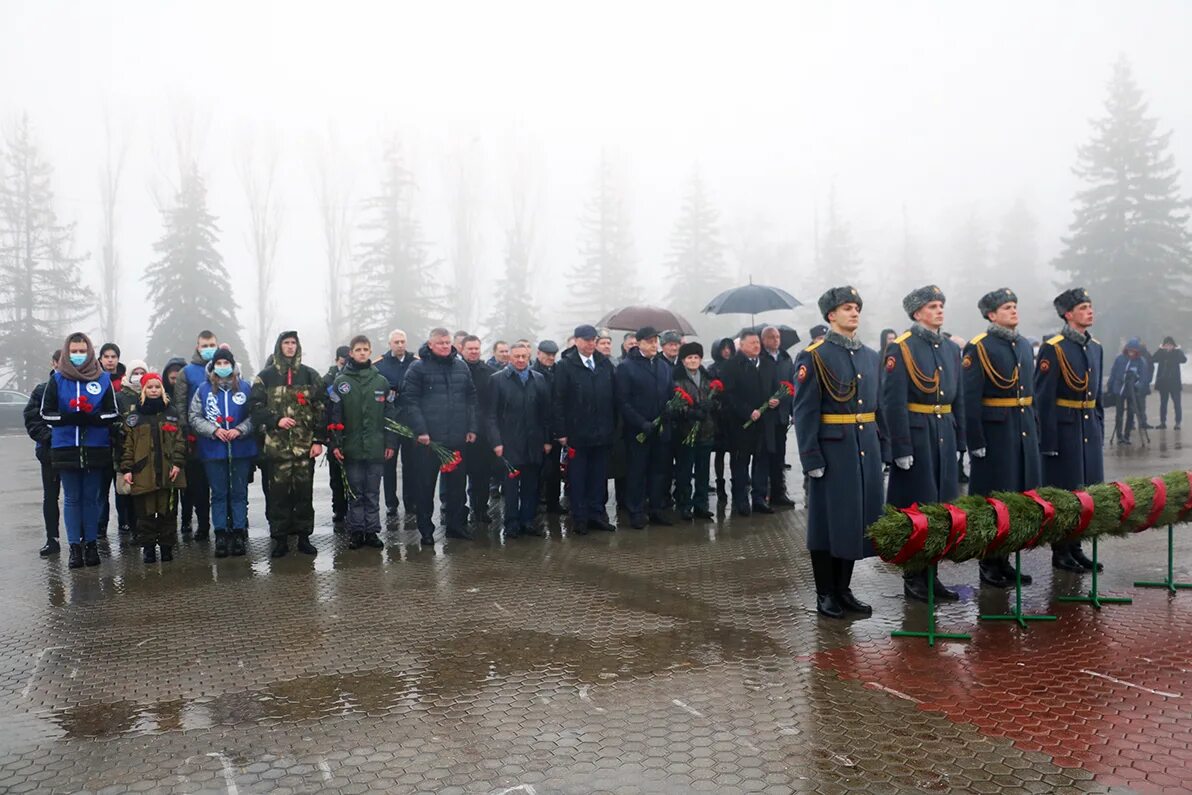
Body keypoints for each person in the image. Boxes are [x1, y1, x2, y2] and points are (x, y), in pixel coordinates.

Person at [792, 287, 882, 619]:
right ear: (831, 315)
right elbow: (803, 412)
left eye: (857, 307)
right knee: (827, 525)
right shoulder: (814, 355)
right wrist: (811, 458)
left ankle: (844, 590)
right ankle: (825, 593)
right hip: (833, 452)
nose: (854, 313)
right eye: (847, 308)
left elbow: (878, 407)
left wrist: (881, 449)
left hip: (865, 450)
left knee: (855, 523)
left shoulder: (871, 356)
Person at [884, 286, 967, 602]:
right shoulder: (901, 348)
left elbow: (955, 398)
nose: (939, 310)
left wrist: (959, 439)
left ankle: (933, 575)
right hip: (917, 436)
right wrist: (901, 447)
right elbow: (893, 402)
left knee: (942, 508)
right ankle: (914, 578)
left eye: (941, 305)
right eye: (933, 306)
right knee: (917, 511)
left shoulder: (949, 348)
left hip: (943, 431)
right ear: (917, 313)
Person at [962, 288, 1041, 588]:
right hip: (995, 435)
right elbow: (971, 398)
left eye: (1015, 306)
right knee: (993, 500)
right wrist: (976, 440)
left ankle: (1005, 560)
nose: (1013, 311)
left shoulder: (1022, 344)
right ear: (992, 315)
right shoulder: (979, 347)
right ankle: (988, 563)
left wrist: (1034, 433)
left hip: (1021, 431)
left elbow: (1029, 394)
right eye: (1007, 307)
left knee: (1017, 497)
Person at [1036, 288, 1105, 574]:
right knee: (1065, 494)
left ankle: (1076, 548)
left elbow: (1097, 393)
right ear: (1068, 314)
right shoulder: (1054, 347)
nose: (1090, 311)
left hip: (1087, 425)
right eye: (1083, 307)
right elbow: (1043, 397)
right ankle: (1060, 551)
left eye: (1090, 306)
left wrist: (1099, 426)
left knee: (1085, 491)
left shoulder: (1095, 347)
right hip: (1064, 431)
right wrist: (1048, 440)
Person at [40, 332, 121, 568]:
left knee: (91, 499)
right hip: (66, 447)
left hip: (95, 446)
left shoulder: (103, 379)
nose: (78, 355)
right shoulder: (57, 380)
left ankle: (91, 545)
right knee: (72, 499)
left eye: (81, 351)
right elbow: (46, 413)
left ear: (89, 352)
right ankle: (75, 548)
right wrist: (67, 417)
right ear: (66, 352)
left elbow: (113, 412)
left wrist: (95, 418)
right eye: (73, 351)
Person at [249, 331, 326, 558]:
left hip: (304, 448)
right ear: (279, 346)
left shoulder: (310, 375)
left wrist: (318, 440)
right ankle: (280, 539)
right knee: (278, 496)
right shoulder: (266, 377)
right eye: (286, 343)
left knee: (304, 494)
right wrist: (276, 420)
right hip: (277, 448)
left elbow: (321, 408)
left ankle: (303, 537)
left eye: (293, 343)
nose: (290, 347)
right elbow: (254, 407)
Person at [401, 328, 477, 545]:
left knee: (456, 487)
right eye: (440, 342)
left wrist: (471, 427)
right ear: (430, 344)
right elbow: (410, 401)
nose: (445, 346)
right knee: (425, 487)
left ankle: (455, 526)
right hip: (429, 442)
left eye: (447, 342)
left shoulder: (461, 366)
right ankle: (426, 530)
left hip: (456, 438)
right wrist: (421, 431)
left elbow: (471, 399)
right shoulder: (418, 368)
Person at [328, 337, 396, 549]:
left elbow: (390, 417)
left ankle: (372, 532)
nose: (362, 353)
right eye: (358, 350)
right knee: (355, 493)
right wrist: (336, 445)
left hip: (376, 448)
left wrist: (391, 443)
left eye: (366, 349)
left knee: (373, 493)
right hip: (351, 448)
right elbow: (334, 417)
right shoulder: (341, 382)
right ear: (351, 352)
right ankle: (357, 531)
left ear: (370, 351)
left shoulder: (381, 382)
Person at [189, 348, 256, 558]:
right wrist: (215, 430)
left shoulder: (245, 387)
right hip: (213, 450)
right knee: (218, 494)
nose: (223, 367)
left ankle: (238, 532)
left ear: (232, 365)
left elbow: (255, 415)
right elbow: (194, 417)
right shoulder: (203, 389)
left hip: (240, 449)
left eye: (226, 363)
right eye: (219, 363)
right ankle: (220, 534)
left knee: (238, 493)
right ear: (213, 366)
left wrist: (239, 430)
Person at [553, 325, 618, 534]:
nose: (591, 343)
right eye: (586, 340)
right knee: (578, 478)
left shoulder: (604, 364)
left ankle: (596, 514)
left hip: (602, 432)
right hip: (577, 434)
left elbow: (614, 397)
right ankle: (579, 518)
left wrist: (613, 427)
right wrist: (561, 432)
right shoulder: (565, 366)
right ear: (577, 341)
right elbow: (558, 401)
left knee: (599, 478)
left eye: (593, 340)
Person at [119, 372, 187, 563]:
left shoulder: (172, 413)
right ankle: (148, 549)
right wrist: (127, 469)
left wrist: (178, 464)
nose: (154, 390)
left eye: (157, 387)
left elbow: (181, 442)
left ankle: (167, 548)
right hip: (142, 473)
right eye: (150, 387)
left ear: (162, 389)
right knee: (145, 515)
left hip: (169, 473)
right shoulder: (134, 417)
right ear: (144, 390)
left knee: (168, 513)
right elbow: (127, 445)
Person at [487, 341, 552, 538]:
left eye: (524, 356)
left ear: (529, 356)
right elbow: (490, 415)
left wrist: (547, 440)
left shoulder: (539, 379)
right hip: (509, 442)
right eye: (517, 356)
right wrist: (496, 441)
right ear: (510, 358)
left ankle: (528, 521)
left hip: (533, 441)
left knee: (531, 486)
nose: (521, 360)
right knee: (511, 487)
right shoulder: (497, 380)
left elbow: (546, 413)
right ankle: (512, 523)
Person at [617, 326, 677, 529]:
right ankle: (636, 511)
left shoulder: (663, 366)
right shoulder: (627, 367)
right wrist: (641, 423)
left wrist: (670, 409)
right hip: (639, 431)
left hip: (661, 430)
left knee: (659, 471)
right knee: (637, 472)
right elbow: (623, 402)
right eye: (650, 341)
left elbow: (670, 394)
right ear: (640, 343)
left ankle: (656, 509)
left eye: (655, 341)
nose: (654, 345)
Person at [720, 331, 779, 516]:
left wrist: (776, 400)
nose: (756, 346)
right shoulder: (732, 366)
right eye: (752, 343)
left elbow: (776, 387)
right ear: (742, 345)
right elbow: (728, 395)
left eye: (757, 342)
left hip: (764, 422)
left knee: (762, 461)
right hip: (741, 424)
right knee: (741, 462)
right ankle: (741, 500)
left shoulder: (767, 364)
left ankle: (760, 498)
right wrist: (747, 412)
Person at [175, 330, 220, 539]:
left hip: (221, 436)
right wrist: (186, 433)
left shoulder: (224, 368)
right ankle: (203, 525)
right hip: (196, 439)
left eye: (212, 345)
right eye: (205, 345)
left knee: (221, 485)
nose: (208, 349)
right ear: (197, 346)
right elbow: (181, 404)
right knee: (199, 487)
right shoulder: (187, 372)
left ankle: (230, 524)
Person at [373, 329, 418, 520]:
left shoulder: (415, 362)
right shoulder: (380, 364)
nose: (400, 345)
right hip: (389, 421)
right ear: (390, 344)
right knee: (388, 464)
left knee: (411, 464)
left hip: (409, 420)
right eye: (396, 342)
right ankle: (391, 503)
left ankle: (411, 501)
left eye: (402, 342)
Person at [673, 342, 717, 520]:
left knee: (703, 472)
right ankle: (684, 505)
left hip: (705, 431)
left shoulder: (707, 377)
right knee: (684, 472)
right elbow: (676, 404)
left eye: (696, 357)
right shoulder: (677, 379)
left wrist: (712, 404)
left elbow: (718, 401)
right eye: (689, 357)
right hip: (686, 432)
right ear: (683, 360)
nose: (693, 361)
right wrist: (690, 412)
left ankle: (701, 504)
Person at [25, 351, 63, 557]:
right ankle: (52, 538)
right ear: (54, 363)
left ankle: (84, 539)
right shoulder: (41, 390)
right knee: (51, 496)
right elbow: (32, 419)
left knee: (77, 498)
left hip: (72, 451)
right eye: (60, 362)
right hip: (49, 451)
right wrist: (50, 437)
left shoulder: (76, 389)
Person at [461, 335, 497, 523]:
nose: (474, 351)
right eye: (470, 348)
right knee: (458, 477)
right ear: (462, 349)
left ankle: (480, 509)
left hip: (482, 434)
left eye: (477, 348)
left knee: (481, 475)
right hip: (459, 431)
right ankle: (459, 510)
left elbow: (492, 405)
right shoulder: (456, 370)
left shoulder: (489, 373)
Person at [761, 326, 796, 508]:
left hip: (782, 415)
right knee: (767, 455)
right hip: (766, 416)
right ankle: (763, 493)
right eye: (771, 337)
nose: (775, 340)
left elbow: (792, 385)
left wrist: (793, 411)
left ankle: (779, 492)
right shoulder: (761, 359)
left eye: (777, 337)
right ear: (764, 340)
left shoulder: (785, 358)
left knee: (780, 456)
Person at [532, 340, 562, 514]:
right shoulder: (533, 373)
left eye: (553, 355)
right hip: (538, 430)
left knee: (554, 471)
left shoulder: (557, 371)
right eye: (547, 354)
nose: (550, 358)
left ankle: (553, 502)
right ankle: (534, 504)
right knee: (538, 470)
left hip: (555, 429)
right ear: (539, 353)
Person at [324, 345, 350, 530]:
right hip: (333, 432)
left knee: (352, 474)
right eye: (343, 360)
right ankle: (338, 508)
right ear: (336, 360)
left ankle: (351, 507)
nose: (345, 363)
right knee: (336, 476)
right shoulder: (327, 380)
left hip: (350, 432)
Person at [708, 337, 736, 502]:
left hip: (733, 414)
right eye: (723, 348)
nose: (726, 351)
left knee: (735, 452)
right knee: (719, 453)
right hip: (719, 417)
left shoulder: (736, 366)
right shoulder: (712, 369)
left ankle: (737, 481)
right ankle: (720, 485)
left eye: (729, 348)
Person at [1106, 339, 1149, 443]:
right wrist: (1110, 386)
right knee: (1119, 413)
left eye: (1133, 351)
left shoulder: (1140, 361)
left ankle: (1127, 435)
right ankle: (1119, 436)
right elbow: (1113, 372)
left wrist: (1137, 385)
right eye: (1129, 350)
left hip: (1132, 391)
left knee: (1131, 413)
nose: (1131, 353)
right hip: (1119, 390)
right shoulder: (1120, 359)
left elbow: (1143, 377)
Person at [1153, 336, 1185, 429]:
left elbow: (1184, 360)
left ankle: (1178, 423)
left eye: (1170, 345)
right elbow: (1153, 359)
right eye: (1166, 345)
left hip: (1174, 383)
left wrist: (1178, 350)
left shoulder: (1176, 353)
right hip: (1163, 383)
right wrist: (1160, 349)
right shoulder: (1161, 353)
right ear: (1164, 346)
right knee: (1163, 404)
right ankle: (1163, 422)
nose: (1168, 347)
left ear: (1173, 345)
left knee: (1177, 403)